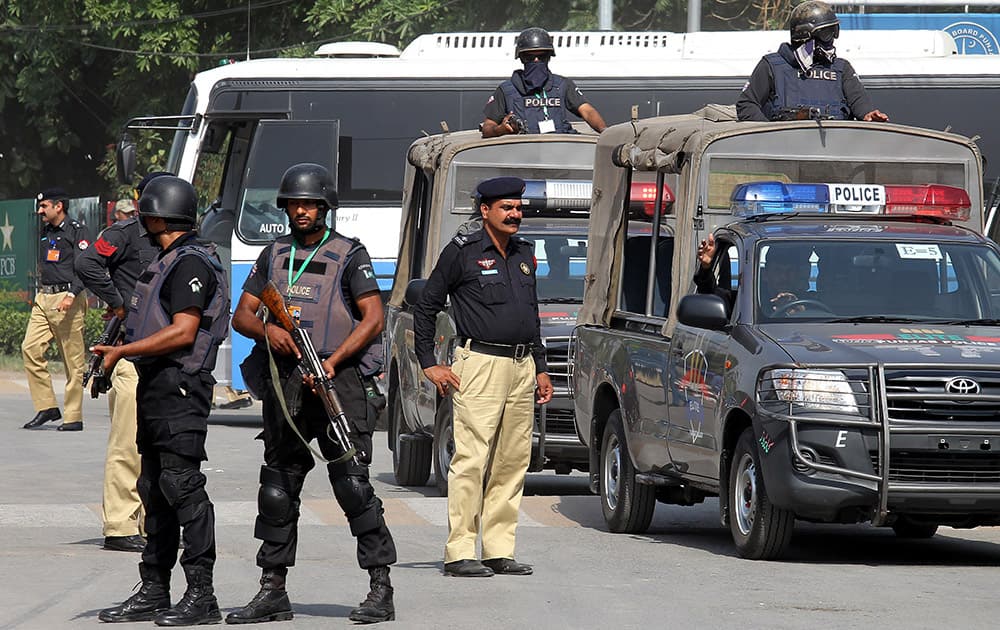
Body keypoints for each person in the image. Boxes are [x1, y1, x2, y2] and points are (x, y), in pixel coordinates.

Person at [227, 163, 397, 625]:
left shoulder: (349, 254)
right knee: (278, 487)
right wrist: (270, 332)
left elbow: (373, 318)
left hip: (334, 379)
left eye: (310, 204)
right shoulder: (273, 254)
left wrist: (334, 360)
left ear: (324, 208)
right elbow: (243, 314)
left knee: (353, 485)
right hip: (286, 380)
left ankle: (380, 587)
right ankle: (272, 590)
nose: (301, 210)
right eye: (294, 204)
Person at [95, 176, 230, 625]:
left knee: (182, 488)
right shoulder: (168, 259)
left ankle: (202, 595)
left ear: (158, 216)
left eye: (144, 214)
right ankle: (154, 588)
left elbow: (184, 331)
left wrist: (123, 352)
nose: (140, 222)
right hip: (158, 387)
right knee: (153, 489)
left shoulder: (190, 263)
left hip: (181, 388)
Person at [413, 176, 553, 578]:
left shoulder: (525, 253)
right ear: (485, 211)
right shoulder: (463, 253)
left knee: (512, 461)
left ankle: (498, 549)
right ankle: (459, 552)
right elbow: (426, 306)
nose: (515, 214)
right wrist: (429, 362)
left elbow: (531, 314)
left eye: (518, 207)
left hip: (521, 366)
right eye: (506, 208)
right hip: (480, 366)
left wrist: (541, 367)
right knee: (471, 459)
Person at [75, 173, 170, 553]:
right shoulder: (125, 233)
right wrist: (117, 302)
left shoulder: (175, 237)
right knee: (128, 441)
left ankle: (153, 522)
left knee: (160, 444)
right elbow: (87, 263)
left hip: (164, 350)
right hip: (128, 350)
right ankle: (119, 525)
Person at [736, 1, 889, 122]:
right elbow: (746, 105)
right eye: (827, 33)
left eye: (834, 31)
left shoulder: (842, 69)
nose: (832, 39)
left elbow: (861, 105)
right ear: (805, 35)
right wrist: (771, 137)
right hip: (786, 153)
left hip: (833, 151)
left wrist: (869, 115)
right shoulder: (772, 66)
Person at [22, 187, 90, 432]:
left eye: (44, 207)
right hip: (45, 297)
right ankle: (47, 406)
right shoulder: (46, 230)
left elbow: (85, 267)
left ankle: (73, 417)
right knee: (30, 348)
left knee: (72, 360)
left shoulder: (77, 231)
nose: (40, 211)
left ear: (58, 206)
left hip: (67, 298)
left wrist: (73, 294)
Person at [481, 27, 607, 137]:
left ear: (549, 57)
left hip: (561, 151)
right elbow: (487, 127)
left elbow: (587, 111)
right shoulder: (506, 90)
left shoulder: (562, 85)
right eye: (529, 57)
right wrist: (500, 130)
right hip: (523, 152)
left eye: (542, 57)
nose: (536, 61)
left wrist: (605, 132)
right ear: (521, 59)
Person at [695, 234, 810, 315]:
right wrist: (706, 268)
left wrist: (803, 312)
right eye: (778, 271)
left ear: (797, 275)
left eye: (790, 271)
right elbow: (709, 295)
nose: (784, 277)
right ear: (765, 274)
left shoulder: (812, 301)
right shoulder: (743, 301)